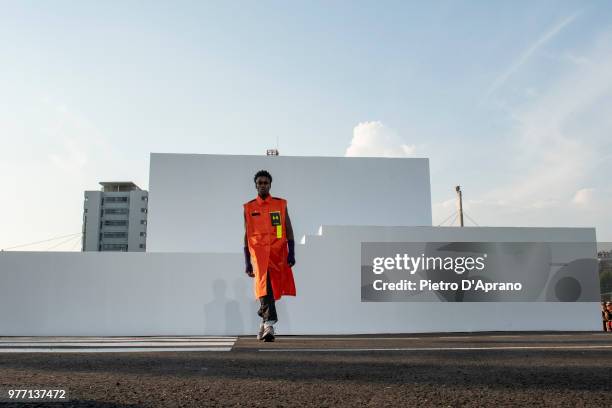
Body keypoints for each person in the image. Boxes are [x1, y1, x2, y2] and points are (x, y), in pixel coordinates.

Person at [243, 170, 296, 342]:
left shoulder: (280, 204)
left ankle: (263, 317)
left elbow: (287, 227)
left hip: (277, 253)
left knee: (270, 288)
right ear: (256, 185)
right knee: (264, 287)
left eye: (266, 182)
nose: (263, 185)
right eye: (260, 183)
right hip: (258, 254)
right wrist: (247, 262)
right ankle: (270, 324)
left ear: (270, 185)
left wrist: (291, 251)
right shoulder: (249, 207)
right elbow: (247, 234)